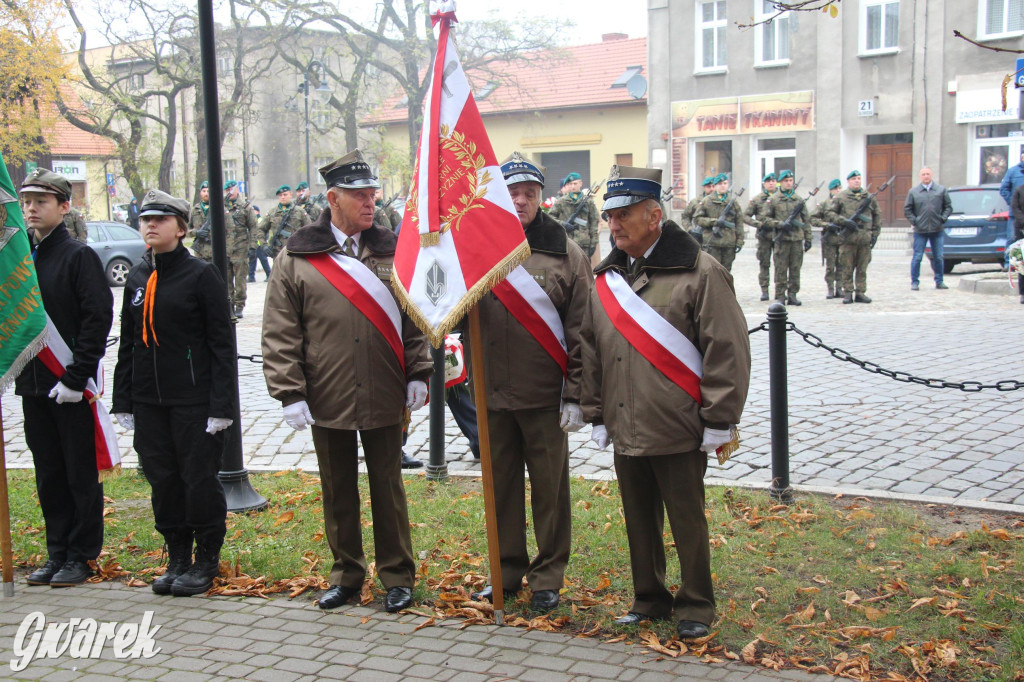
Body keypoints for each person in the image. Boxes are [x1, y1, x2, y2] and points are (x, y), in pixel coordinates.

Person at [580, 164, 750, 640]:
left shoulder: (700, 271)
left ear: (654, 216)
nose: (613, 226)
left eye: (623, 215)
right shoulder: (608, 274)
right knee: (638, 517)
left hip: (678, 423)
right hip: (623, 422)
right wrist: (595, 412)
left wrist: (720, 418)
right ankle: (649, 597)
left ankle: (696, 602)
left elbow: (727, 349)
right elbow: (591, 347)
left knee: (686, 518)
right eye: (609, 217)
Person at [261, 150, 432, 613]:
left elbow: (412, 318)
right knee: (338, 487)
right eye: (359, 195)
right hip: (326, 390)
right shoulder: (297, 255)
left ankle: (397, 575)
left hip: (384, 385)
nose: (370, 202)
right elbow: (280, 329)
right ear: (333, 198)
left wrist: (419, 371)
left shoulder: (393, 248)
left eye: (372, 193)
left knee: (388, 485)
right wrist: (289, 392)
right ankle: (346, 575)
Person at [469, 152, 592, 613]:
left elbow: (582, 329)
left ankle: (548, 577)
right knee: (500, 489)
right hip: (492, 393)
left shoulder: (565, 252)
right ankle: (506, 571)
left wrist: (577, 395)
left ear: (542, 197)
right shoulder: (479, 249)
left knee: (550, 493)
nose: (520, 200)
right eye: (512, 193)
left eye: (529, 193)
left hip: (545, 397)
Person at [111, 190, 235, 596]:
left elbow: (221, 345)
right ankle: (177, 554)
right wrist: (123, 399)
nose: (150, 225)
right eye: (145, 219)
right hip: (149, 401)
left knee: (198, 480)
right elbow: (130, 341)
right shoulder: (137, 276)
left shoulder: (202, 275)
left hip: (193, 401)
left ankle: (205, 559)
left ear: (181, 229)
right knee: (163, 480)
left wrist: (221, 406)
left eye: (160, 220)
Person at [16, 169, 113, 588]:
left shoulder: (78, 256)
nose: (31, 208)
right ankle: (57, 551)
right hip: (33, 383)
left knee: (78, 474)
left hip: (68, 386)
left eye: (41, 201)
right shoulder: (22, 261)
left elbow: (96, 319)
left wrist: (76, 378)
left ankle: (81, 554)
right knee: (48, 473)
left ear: (64, 205)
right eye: (26, 202)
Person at [827, 170, 880, 304]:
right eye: (854, 179)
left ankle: (860, 292)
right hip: (848, 238)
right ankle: (848, 292)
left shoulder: (868, 197)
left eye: (858, 178)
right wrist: (844, 221)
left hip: (864, 237)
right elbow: (830, 214)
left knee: (862, 267)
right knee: (847, 266)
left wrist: (875, 234)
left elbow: (877, 215)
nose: (857, 181)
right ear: (848, 181)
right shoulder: (841, 197)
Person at [762, 170, 811, 305]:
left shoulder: (798, 200)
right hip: (781, 239)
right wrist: (780, 224)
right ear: (781, 182)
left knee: (795, 268)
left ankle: (793, 294)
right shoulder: (774, 199)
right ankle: (780, 295)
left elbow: (806, 220)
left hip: (796, 239)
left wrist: (809, 238)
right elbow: (765, 219)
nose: (789, 183)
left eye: (790, 181)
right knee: (780, 268)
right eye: (786, 181)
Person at [904, 167, 952, 291]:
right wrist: (915, 221)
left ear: (932, 175)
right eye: (923, 174)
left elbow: (948, 207)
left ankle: (939, 281)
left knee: (938, 257)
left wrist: (943, 218)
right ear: (920, 176)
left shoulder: (941, 190)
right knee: (917, 257)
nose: (926, 176)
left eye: (928, 174)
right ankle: (914, 282)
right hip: (920, 230)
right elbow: (907, 209)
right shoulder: (914, 192)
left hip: (937, 229)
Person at [692, 173, 744, 272]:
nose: (723, 186)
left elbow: (739, 223)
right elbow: (697, 219)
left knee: (726, 272)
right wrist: (714, 222)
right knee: (713, 272)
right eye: (720, 183)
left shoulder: (733, 202)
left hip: (729, 243)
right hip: (712, 243)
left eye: (725, 183)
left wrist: (740, 242)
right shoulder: (707, 201)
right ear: (715, 186)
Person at [223, 180, 257, 318]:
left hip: (241, 248)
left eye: (232, 189)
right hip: (225, 248)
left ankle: (239, 305)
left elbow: (253, 226)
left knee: (240, 280)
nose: (230, 192)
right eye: (227, 190)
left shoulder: (245, 207)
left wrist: (253, 246)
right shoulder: (221, 205)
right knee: (226, 279)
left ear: (237, 190)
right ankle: (229, 304)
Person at [549, 171, 601, 260]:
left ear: (581, 184)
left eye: (575, 183)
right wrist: (563, 224)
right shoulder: (562, 201)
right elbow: (550, 217)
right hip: (567, 242)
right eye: (570, 184)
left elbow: (594, 222)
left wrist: (593, 242)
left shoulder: (588, 202)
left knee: (584, 270)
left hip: (584, 244)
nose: (573, 186)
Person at [745, 173, 777, 301]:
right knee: (764, 264)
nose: (771, 183)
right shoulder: (757, 199)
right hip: (764, 236)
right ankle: (765, 290)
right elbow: (745, 216)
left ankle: (780, 291)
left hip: (780, 235)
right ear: (764, 184)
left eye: (774, 181)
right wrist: (758, 224)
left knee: (781, 265)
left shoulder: (780, 197)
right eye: (768, 181)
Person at [810, 180, 843, 299]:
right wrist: (827, 225)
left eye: (840, 188)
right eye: (836, 188)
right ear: (831, 190)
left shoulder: (844, 203)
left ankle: (840, 287)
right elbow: (812, 218)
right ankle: (830, 288)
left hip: (843, 238)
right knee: (830, 265)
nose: (838, 191)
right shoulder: (824, 204)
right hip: (830, 239)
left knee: (842, 265)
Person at [261, 185, 309, 264]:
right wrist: (264, 245)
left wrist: (304, 246)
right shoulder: (272, 212)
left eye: (285, 195)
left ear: (290, 194)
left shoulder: (300, 211)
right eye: (280, 195)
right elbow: (260, 229)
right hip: (278, 253)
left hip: (296, 252)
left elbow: (309, 230)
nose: (283, 197)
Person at [999, 150, 1024, 271]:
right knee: (1012, 238)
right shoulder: (1013, 171)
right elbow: (1004, 189)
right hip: (1015, 214)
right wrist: (1013, 203)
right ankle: (1009, 263)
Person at [188, 181, 212, 262]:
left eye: (208, 191)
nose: (206, 194)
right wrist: (196, 233)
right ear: (200, 193)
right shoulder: (195, 210)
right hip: (199, 252)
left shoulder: (218, 208)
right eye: (204, 191)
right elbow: (186, 230)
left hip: (214, 250)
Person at [1013, 183, 1024, 304]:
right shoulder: (1019, 190)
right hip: (1022, 229)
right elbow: (1015, 208)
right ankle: (1023, 292)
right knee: (1022, 263)